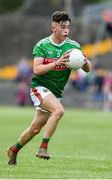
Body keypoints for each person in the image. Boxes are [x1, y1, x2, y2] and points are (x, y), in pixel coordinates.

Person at [7, 11, 91, 165]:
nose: (66, 30)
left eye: (68, 27)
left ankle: (14, 150)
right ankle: (43, 148)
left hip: (55, 93)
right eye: (63, 27)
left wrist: (84, 62)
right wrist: (56, 63)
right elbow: (37, 69)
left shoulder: (73, 47)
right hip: (39, 88)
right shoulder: (43, 45)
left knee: (34, 129)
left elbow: (87, 69)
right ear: (54, 28)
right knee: (59, 111)